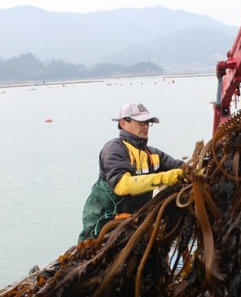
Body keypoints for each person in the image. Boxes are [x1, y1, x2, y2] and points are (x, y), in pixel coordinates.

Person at [78, 103, 184, 242]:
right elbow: (122, 185)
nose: (145, 126)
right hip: (103, 224)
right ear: (123, 123)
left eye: (147, 122)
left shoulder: (151, 153)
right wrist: (165, 178)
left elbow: (181, 167)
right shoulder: (114, 148)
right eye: (140, 122)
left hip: (135, 223)